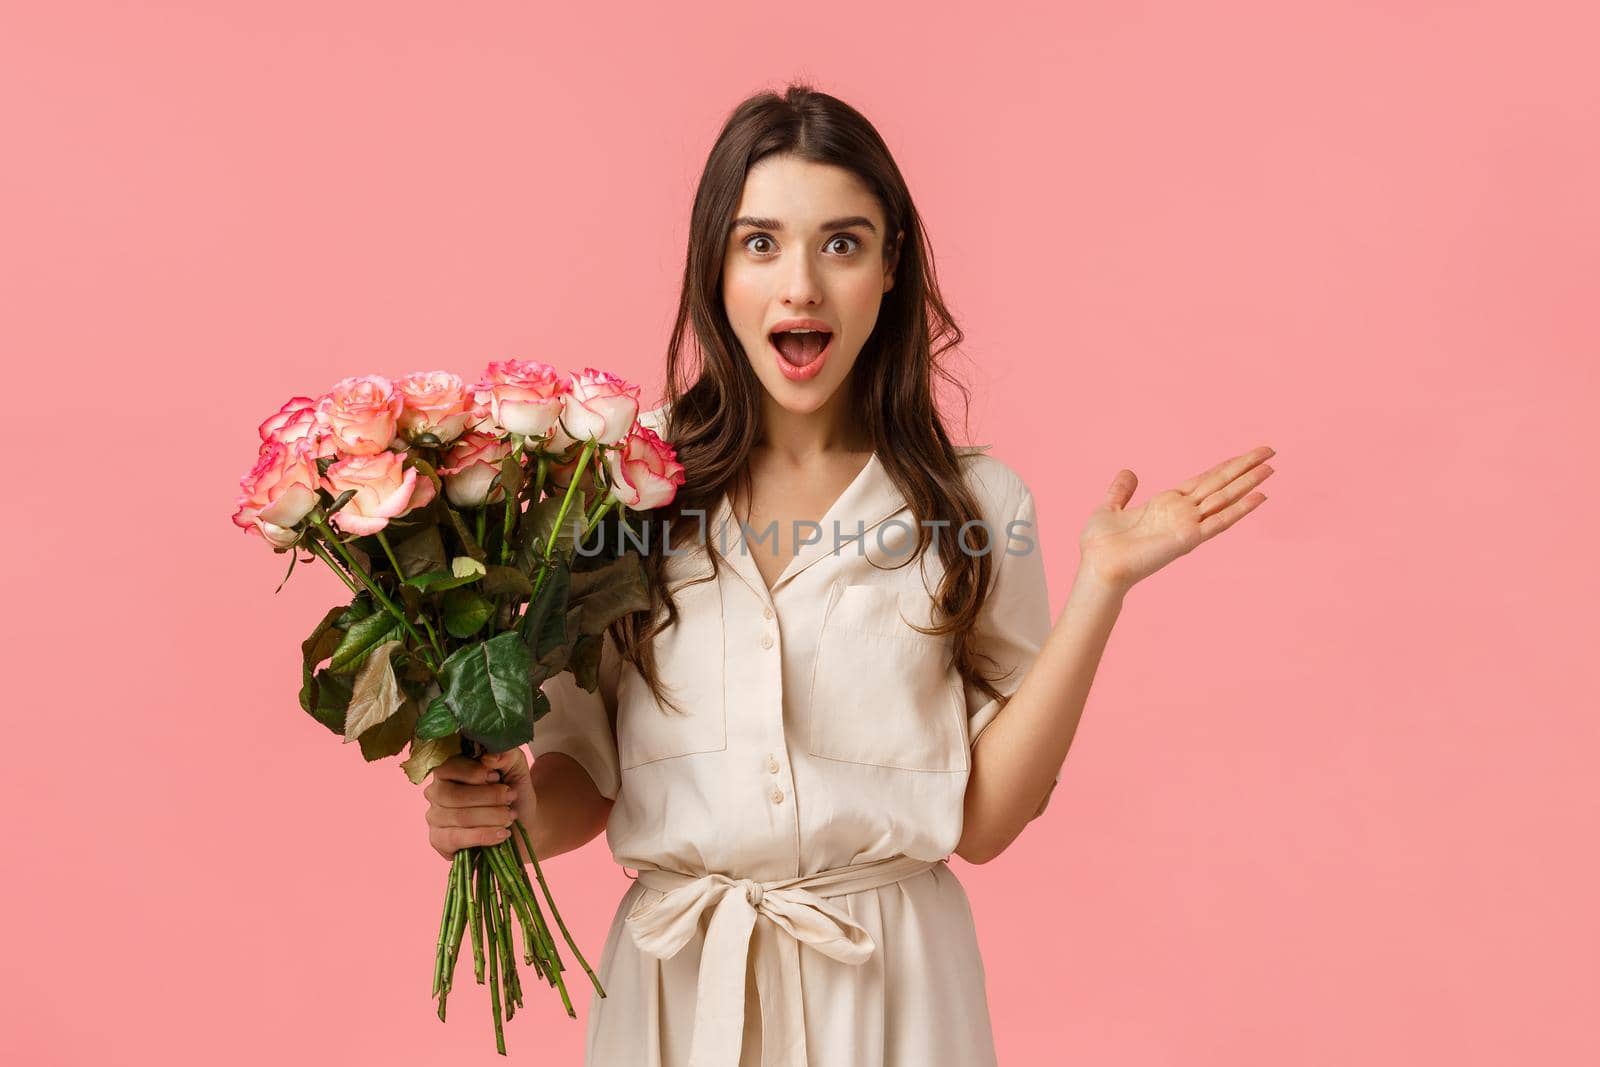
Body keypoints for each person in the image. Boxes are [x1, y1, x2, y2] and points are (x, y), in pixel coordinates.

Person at [422, 83, 1275, 1067]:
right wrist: (509, 806)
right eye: (760, 243)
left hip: (895, 993)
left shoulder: (975, 506)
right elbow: (585, 772)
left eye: (841, 243)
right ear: (714, 265)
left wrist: (1102, 585)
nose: (801, 287)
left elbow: (987, 821)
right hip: (678, 993)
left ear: (889, 265)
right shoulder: (616, 491)